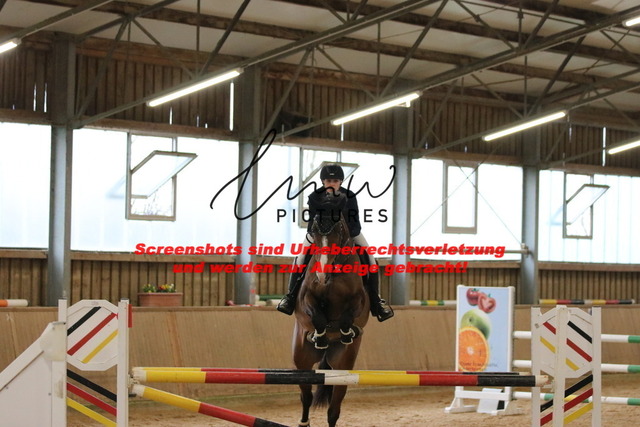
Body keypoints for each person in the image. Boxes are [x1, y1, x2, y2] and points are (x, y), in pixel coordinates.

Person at [276, 164, 394, 321]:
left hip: (348, 236)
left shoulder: (350, 196)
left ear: (340, 182)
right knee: (300, 258)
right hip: (319, 236)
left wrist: (346, 237)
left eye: (335, 181)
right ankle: (290, 298)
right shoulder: (314, 197)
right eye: (328, 181)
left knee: (371, 259)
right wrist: (316, 235)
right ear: (323, 181)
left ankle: (377, 301)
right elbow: (311, 222)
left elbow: (355, 222)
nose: (332, 184)